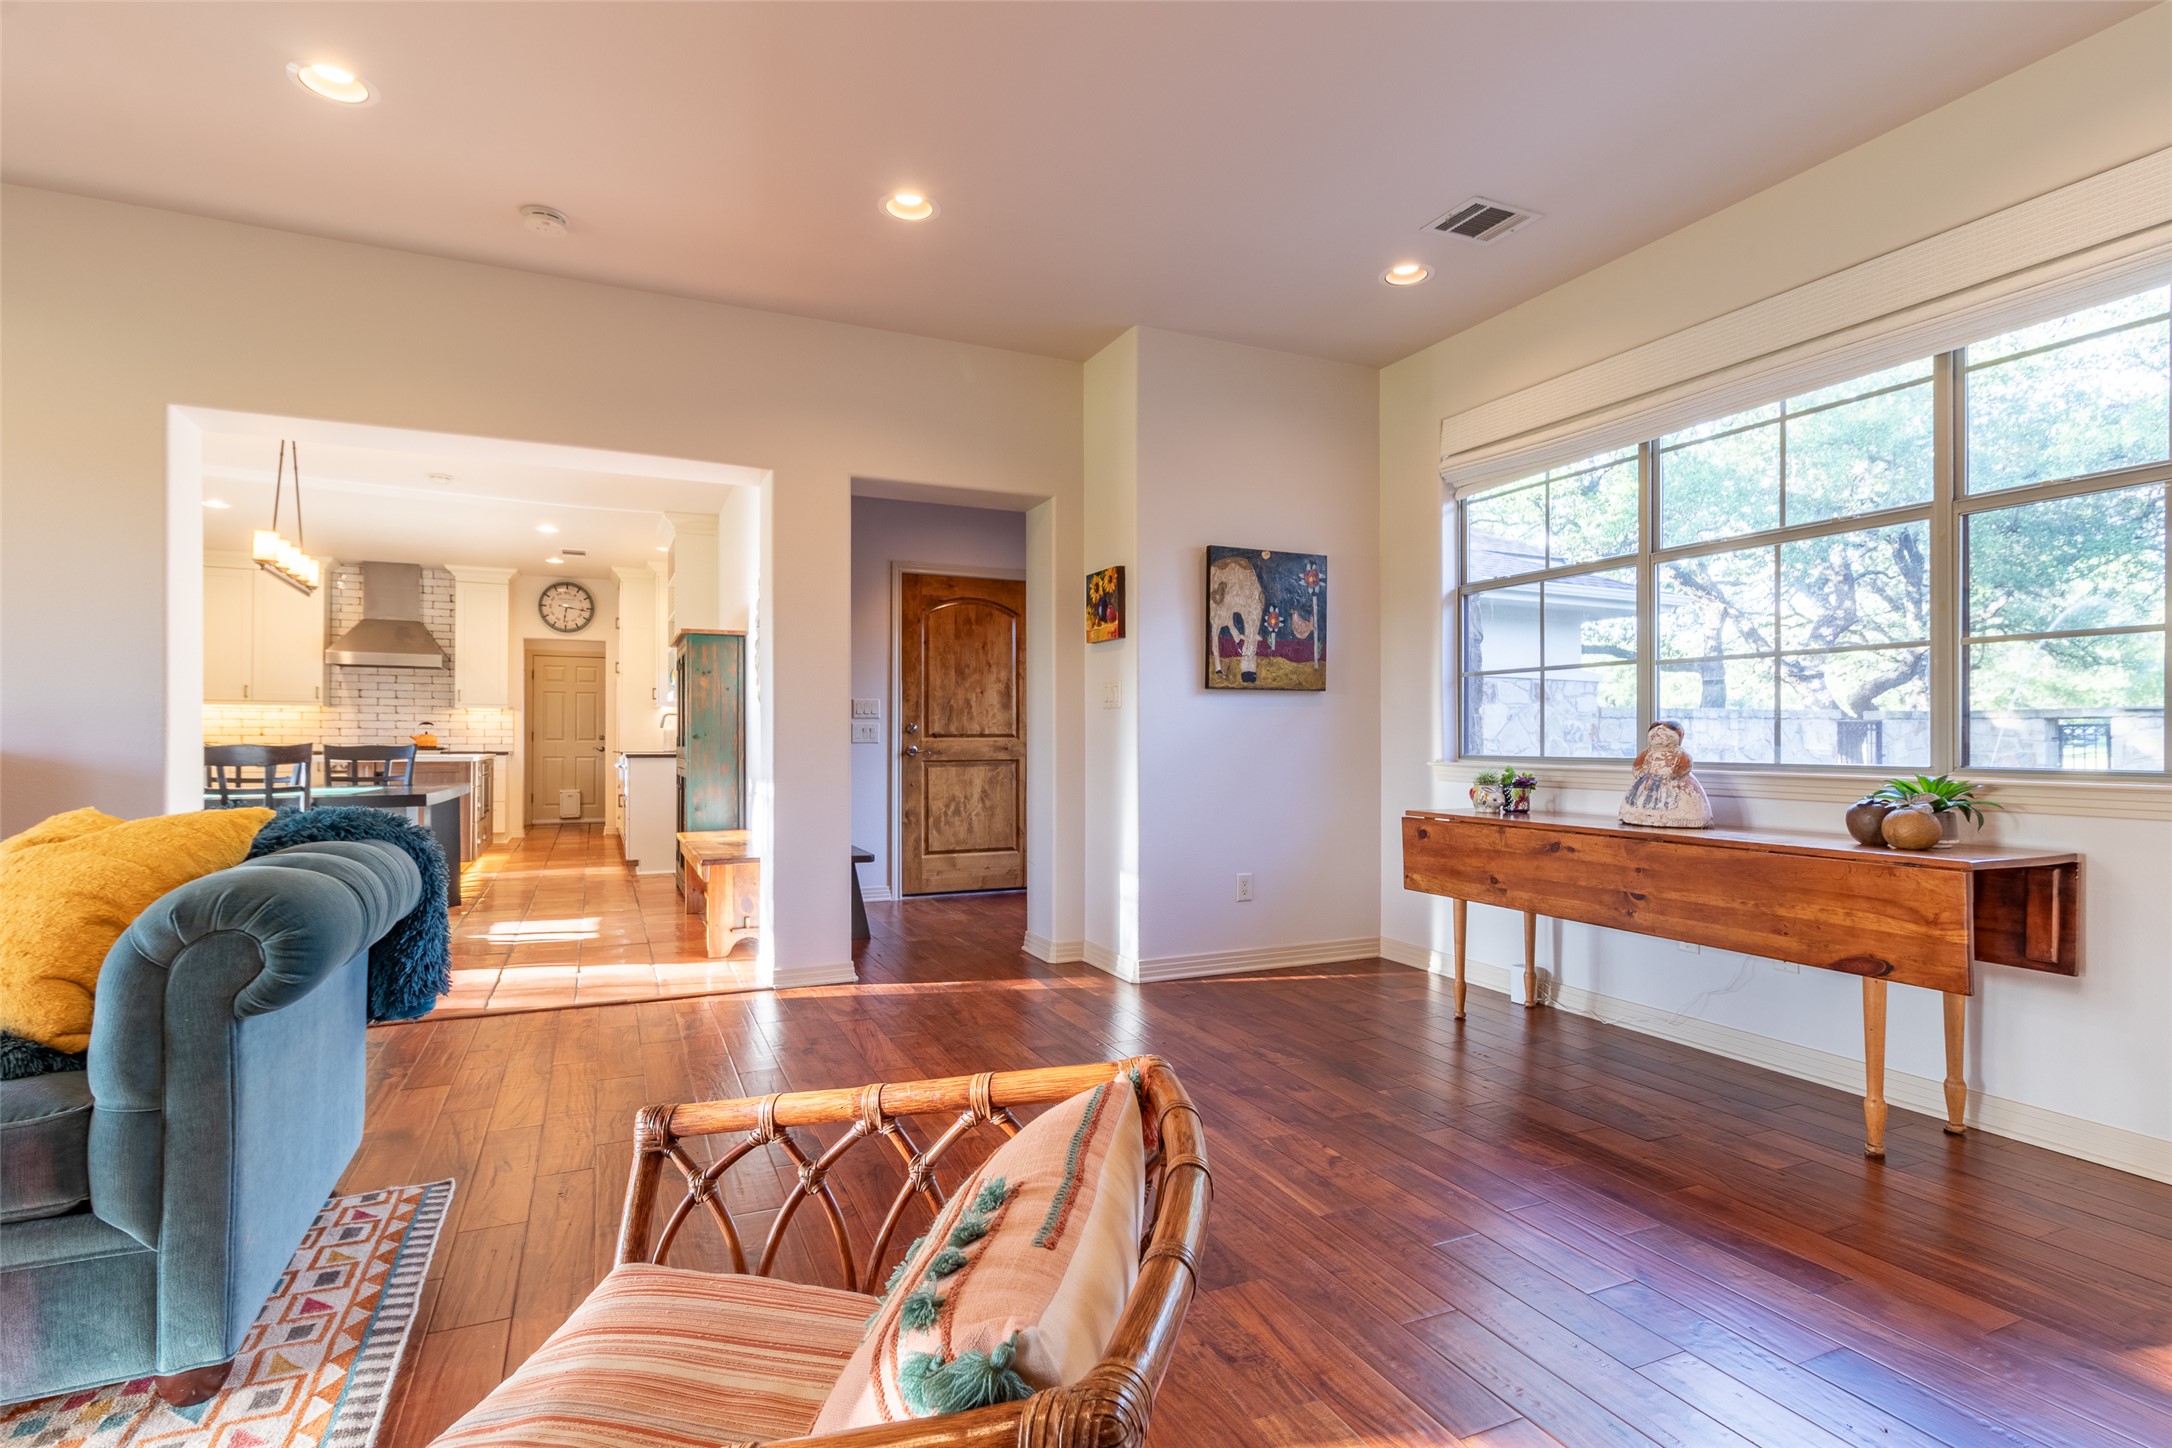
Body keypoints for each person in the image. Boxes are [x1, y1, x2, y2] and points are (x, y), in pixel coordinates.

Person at [1619, 720, 1713, 828]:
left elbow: (1685, 764)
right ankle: (1640, 815)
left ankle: (1674, 817)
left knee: (1667, 798)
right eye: (1654, 733)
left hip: (1669, 781)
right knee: (1644, 798)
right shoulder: (1648, 752)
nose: (1658, 736)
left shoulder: (1678, 753)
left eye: (1663, 733)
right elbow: (1637, 765)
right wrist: (1639, 773)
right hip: (1647, 781)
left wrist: (1674, 774)